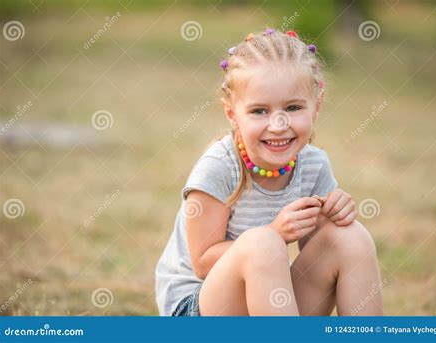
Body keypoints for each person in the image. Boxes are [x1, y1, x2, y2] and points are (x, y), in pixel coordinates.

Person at [155, 29, 382, 316]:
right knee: (262, 243)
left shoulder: (314, 165)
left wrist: (330, 219)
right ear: (232, 114)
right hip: (197, 309)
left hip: (268, 304)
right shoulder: (219, 166)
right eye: (259, 111)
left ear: (317, 105)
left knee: (350, 237)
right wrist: (275, 234)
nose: (278, 124)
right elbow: (202, 262)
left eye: (293, 107)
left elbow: (315, 253)